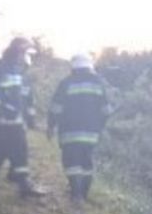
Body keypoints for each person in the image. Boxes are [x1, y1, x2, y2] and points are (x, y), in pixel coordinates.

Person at [0, 37, 46, 197]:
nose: (27, 58)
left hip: (16, 123)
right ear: (18, 52)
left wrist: (30, 119)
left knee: (20, 152)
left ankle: (24, 185)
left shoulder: (21, 72)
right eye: (26, 53)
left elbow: (26, 98)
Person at [47, 54, 110, 201]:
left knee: (71, 161)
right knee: (86, 161)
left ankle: (75, 193)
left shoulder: (66, 82)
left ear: (73, 67)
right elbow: (106, 110)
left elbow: (56, 108)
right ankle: (84, 193)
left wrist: (51, 126)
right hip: (91, 133)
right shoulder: (98, 82)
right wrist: (99, 127)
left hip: (69, 132)